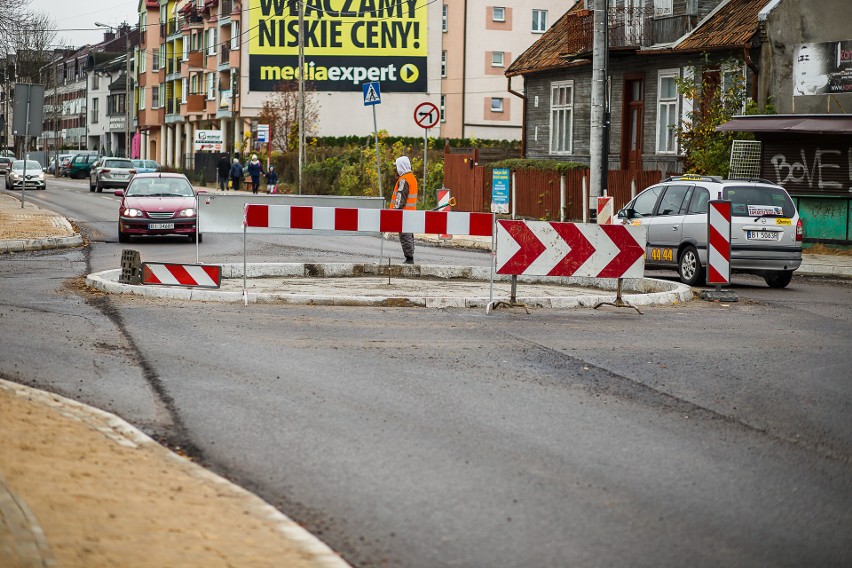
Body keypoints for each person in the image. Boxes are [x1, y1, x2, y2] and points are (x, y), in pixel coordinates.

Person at [389, 156, 418, 264]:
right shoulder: (412, 178)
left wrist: (395, 212)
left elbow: (400, 198)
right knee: (409, 235)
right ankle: (410, 256)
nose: (396, 169)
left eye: (396, 167)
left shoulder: (404, 180)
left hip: (403, 214)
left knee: (405, 235)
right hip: (410, 213)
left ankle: (409, 259)